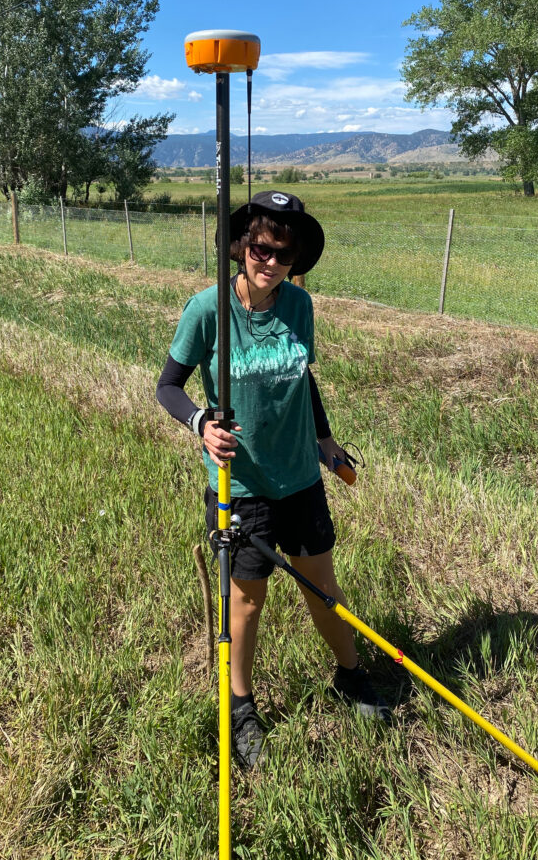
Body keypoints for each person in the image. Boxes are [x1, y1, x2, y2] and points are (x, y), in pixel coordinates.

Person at [156, 190, 390, 770]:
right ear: (241, 246)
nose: (268, 262)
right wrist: (200, 422)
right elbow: (166, 387)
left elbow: (300, 379)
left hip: (299, 478)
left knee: (322, 589)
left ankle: (350, 676)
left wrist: (325, 441)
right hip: (242, 484)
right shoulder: (206, 309)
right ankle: (240, 707)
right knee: (247, 600)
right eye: (259, 248)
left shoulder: (299, 307)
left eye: (282, 255)